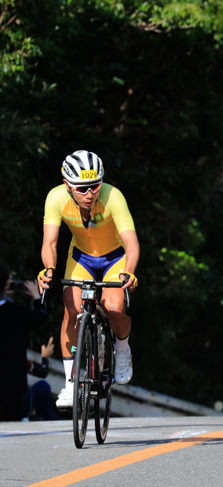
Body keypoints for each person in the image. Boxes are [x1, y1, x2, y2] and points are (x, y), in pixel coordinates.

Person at [38, 150, 139, 409]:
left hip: (115, 257)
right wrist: (48, 269)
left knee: (114, 307)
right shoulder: (56, 198)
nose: (90, 194)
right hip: (81, 257)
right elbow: (49, 242)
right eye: (82, 188)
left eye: (95, 186)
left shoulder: (113, 196)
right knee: (71, 310)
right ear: (67, 185)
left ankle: (122, 348)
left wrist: (129, 270)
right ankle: (72, 382)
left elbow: (131, 242)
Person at [0, 266, 50, 421]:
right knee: (43, 387)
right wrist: (36, 296)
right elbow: (40, 317)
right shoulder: (13, 311)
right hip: (13, 405)